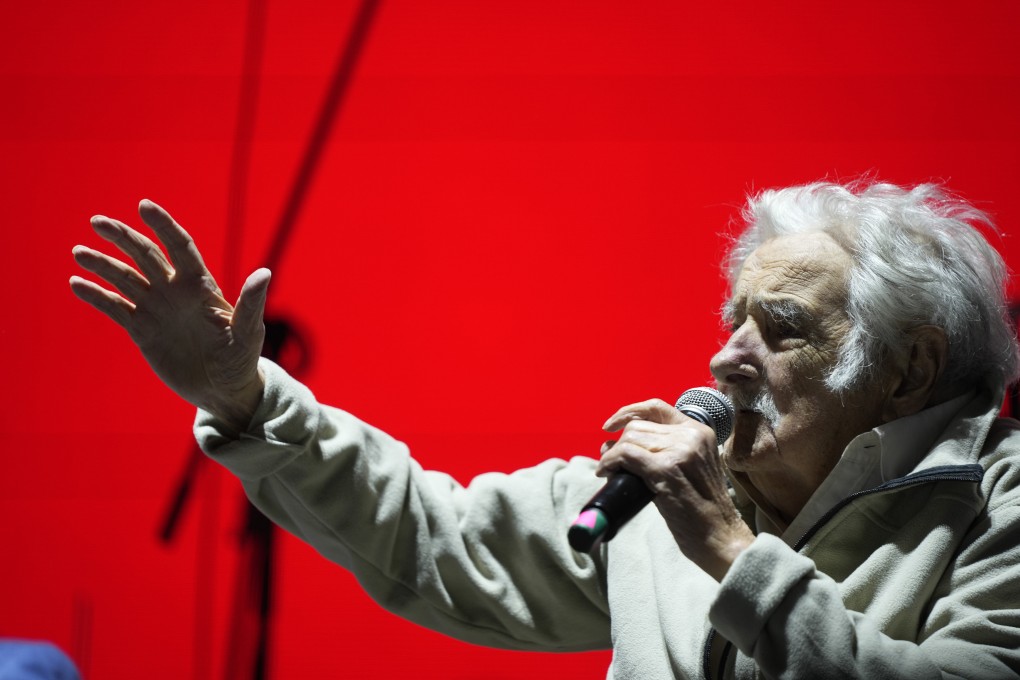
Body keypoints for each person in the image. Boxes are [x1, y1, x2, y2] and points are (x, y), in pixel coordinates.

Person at [70, 180, 1020, 678]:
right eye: (730, 320)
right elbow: (429, 534)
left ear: (910, 371)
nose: (728, 359)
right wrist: (247, 400)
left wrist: (733, 557)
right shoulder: (666, 497)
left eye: (781, 330)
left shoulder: (995, 501)